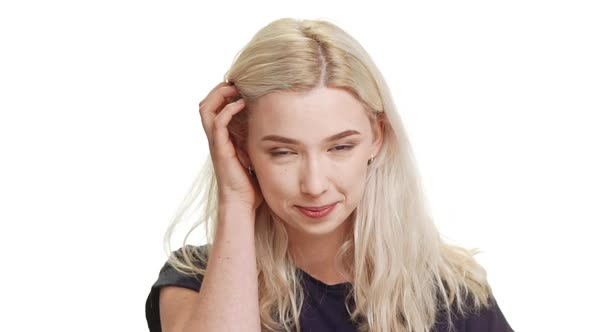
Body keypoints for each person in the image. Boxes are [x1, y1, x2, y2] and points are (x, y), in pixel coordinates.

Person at [145, 17, 514, 332]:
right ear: (242, 150)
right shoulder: (194, 280)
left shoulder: (452, 294)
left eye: (340, 147)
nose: (315, 185)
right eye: (283, 152)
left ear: (377, 138)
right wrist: (236, 201)